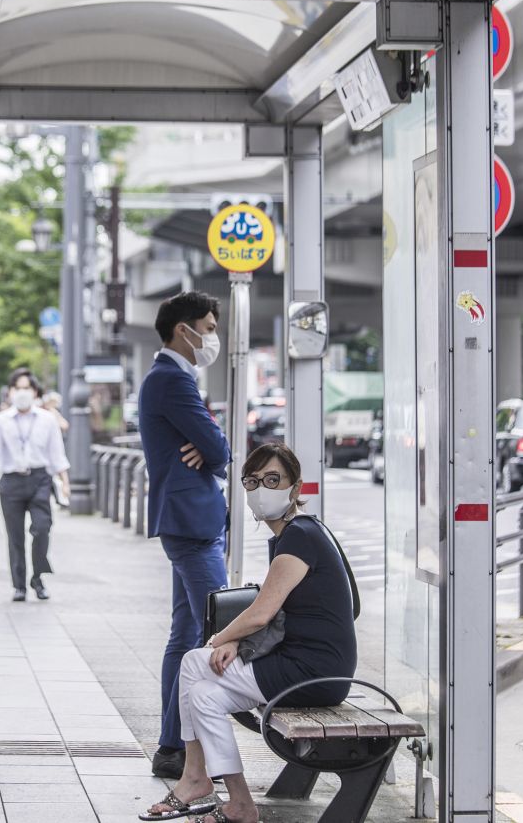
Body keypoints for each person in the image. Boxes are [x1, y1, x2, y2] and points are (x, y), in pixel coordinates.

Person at [141, 443, 357, 823]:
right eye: (253, 481)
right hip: (310, 665)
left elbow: (261, 613)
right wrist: (237, 640)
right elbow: (274, 613)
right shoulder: (294, 534)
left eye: (273, 480)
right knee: (205, 695)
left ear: (296, 486)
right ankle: (238, 802)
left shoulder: (300, 536)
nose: (262, 489)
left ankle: (196, 777)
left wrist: (221, 639)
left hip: (315, 670)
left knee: (195, 661)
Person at [138, 290, 231, 779]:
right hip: (191, 525)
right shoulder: (171, 380)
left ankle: (172, 746)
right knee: (219, 630)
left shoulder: (173, 378)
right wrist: (211, 446)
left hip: (189, 520)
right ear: (185, 330)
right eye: (210, 328)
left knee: (185, 635)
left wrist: (210, 444)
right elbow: (218, 447)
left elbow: (212, 443)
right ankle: (191, 750)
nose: (213, 337)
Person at [0, 368, 71, 602]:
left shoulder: (47, 420)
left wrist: (65, 482)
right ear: (11, 391)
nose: (22, 392)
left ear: (35, 392)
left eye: (27, 388)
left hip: (40, 480)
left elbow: (57, 454)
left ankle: (38, 577)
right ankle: (19, 585)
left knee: (42, 528)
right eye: (18, 388)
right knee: (15, 537)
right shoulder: (0, 421)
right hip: (11, 482)